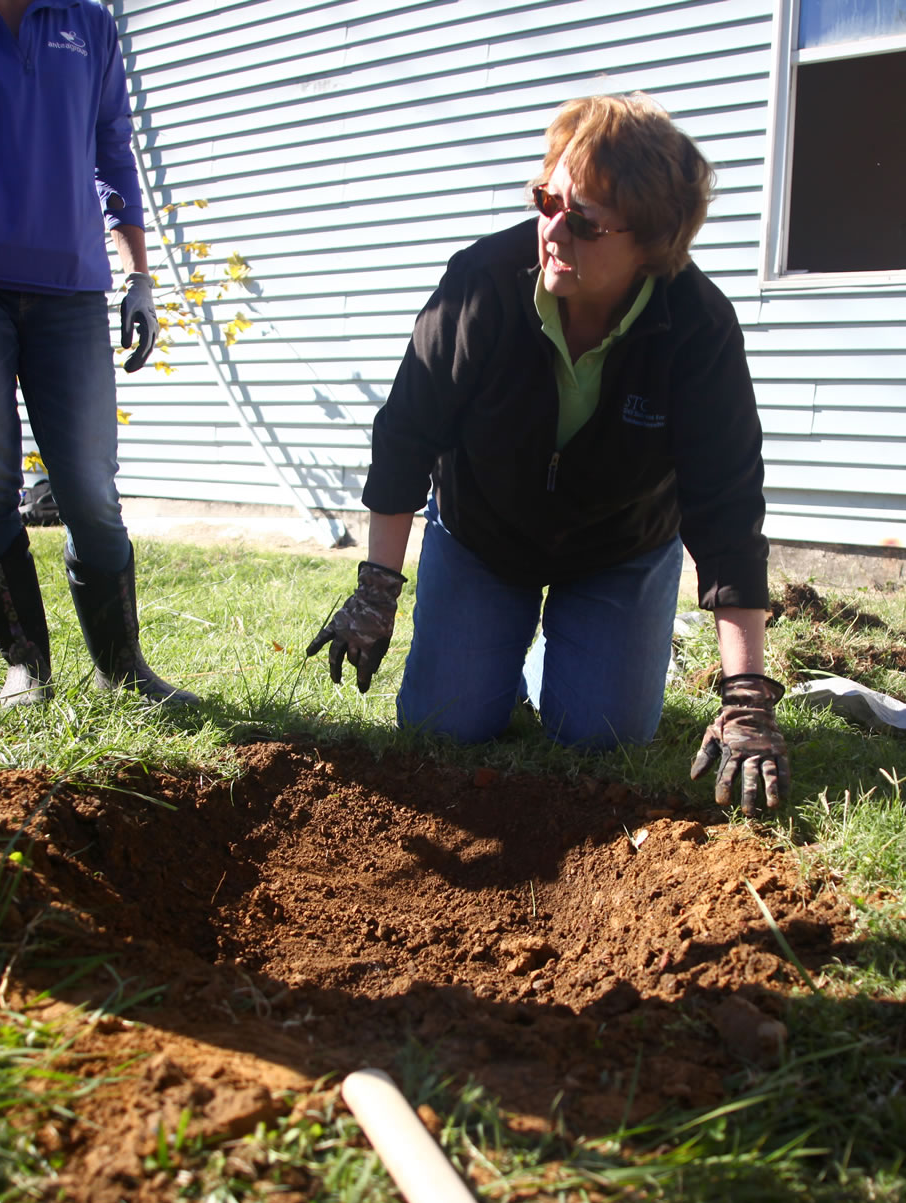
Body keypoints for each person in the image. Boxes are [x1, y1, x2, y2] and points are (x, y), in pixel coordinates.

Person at [306, 95, 789, 812]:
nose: (553, 230)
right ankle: (506, 643)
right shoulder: (482, 283)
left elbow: (726, 509)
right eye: (547, 200)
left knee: (598, 735)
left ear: (651, 242)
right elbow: (406, 434)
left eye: (585, 220)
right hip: (484, 536)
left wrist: (746, 697)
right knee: (448, 723)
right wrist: (376, 587)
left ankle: (562, 653)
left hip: (617, 546)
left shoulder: (697, 327)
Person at [0, 0, 197, 710]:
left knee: (90, 489)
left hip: (71, 286)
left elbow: (113, 146)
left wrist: (139, 276)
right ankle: (26, 667)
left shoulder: (89, 20)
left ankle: (122, 667)